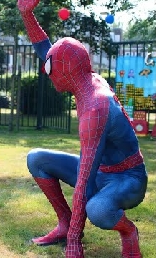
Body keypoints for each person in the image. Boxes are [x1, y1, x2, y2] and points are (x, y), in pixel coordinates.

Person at [17, 1, 148, 257]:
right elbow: (49, 55)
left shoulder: (95, 108)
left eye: (51, 68)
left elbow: (85, 179)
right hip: (103, 171)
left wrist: (76, 242)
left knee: (97, 209)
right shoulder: (83, 76)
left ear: (66, 70)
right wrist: (27, 15)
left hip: (127, 179)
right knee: (36, 159)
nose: (47, 71)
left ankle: (128, 232)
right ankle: (64, 224)